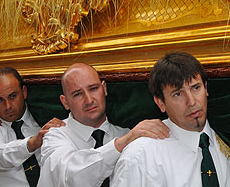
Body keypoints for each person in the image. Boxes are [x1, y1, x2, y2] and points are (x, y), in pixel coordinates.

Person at [112, 52, 230, 187]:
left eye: (196, 88)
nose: (192, 102)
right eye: (178, 94)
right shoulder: (140, 158)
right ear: (161, 103)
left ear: (206, 88)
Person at [38, 63, 170, 187]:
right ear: (65, 102)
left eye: (93, 88)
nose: (89, 100)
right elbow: (70, 176)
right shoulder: (54, 136)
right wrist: (120, 144)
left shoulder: (125, 134)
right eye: (78, 94)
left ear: (104, 89)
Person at [0, 67, 65, 187]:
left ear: (24, 92)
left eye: (12, 96)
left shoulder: (43, 116)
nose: (8, 106)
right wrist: (32, 143)